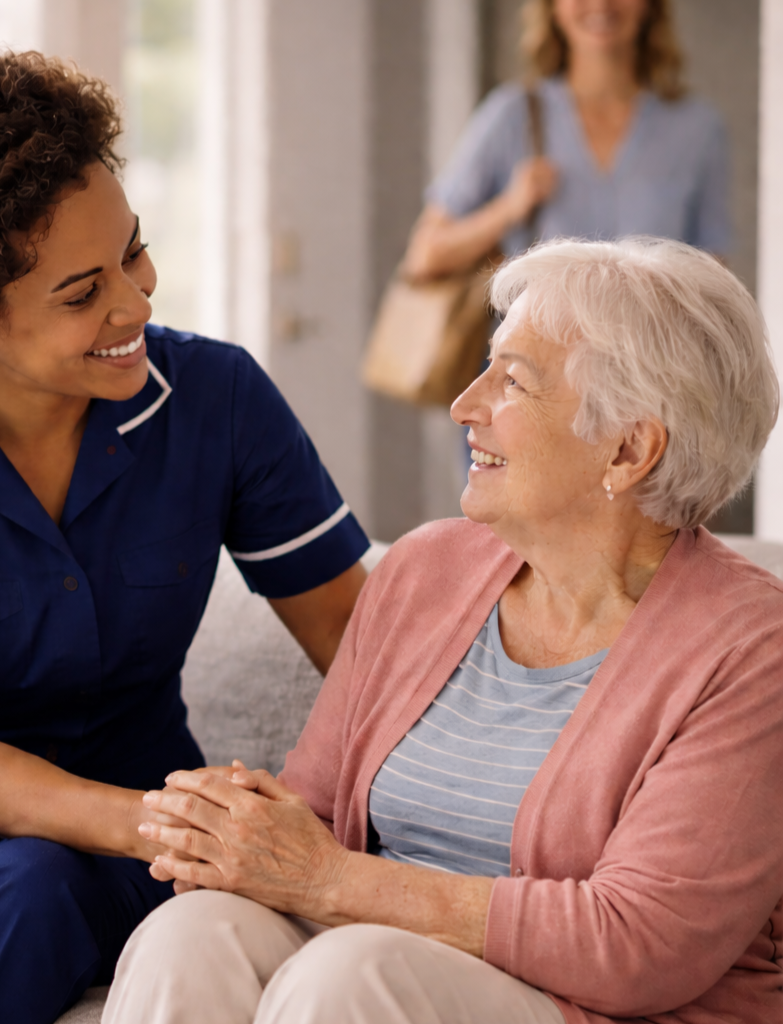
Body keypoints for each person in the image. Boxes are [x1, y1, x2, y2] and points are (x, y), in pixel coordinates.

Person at [0, 49, 370, 1024]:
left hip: (99, 819)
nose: (137, 302)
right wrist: (173, 820)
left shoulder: (217, 400)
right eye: (81, 293)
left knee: (35, 887)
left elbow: (363, 648)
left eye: (132, 251)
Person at [102, 238, 782, 1024]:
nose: (465, 403)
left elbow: (638, 944)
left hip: (599, 1006)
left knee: (353, 975)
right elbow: (312, 815)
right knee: (196, 931)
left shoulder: (750, 653)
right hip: (369, 957)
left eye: (514, 381)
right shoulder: (426, 571)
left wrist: (332, 883)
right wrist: (230, 836)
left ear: (629, 448)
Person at [402, 0, 731, 282]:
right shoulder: (513, 115)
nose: (601, 4)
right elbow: (425, 255)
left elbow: (715, 275)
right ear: (552, 7)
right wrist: (509, 208)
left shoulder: (697, 130)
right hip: (533, 354)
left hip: (649, 356)